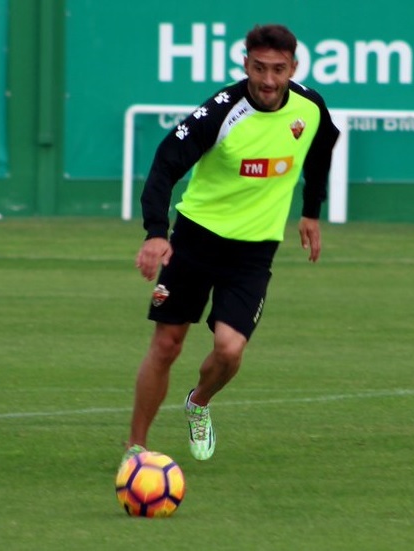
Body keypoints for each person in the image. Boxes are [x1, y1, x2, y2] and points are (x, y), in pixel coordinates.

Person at [122, 23, 339, 464]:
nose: (269, 80)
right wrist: (156, 234)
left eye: (279, 70)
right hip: (195, 240)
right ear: (245, 64)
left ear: (293, 67)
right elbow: (165, 163)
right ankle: (135, 448)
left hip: (252, 253)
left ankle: (198, 402)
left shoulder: (310, 107)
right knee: (167, 345)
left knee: (230, 349)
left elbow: (321, 149)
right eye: (259, 68)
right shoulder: (221, 112)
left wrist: (311, 211)